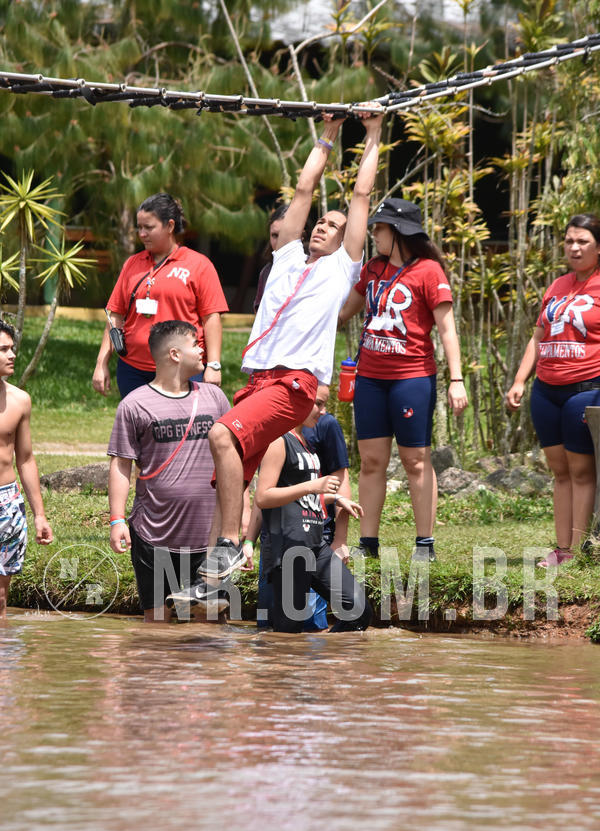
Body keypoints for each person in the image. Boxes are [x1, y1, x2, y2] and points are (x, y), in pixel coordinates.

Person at [198, 105, 384, 580]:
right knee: (228, 466)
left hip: (295, 384)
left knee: (221, 434)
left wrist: (373, 132)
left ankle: (230, 544)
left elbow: (362, 194)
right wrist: (326, 132)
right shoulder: (285, 257)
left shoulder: (341, 270)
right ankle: (226, 551)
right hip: (260, 381)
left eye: (334, 227)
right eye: (321, 222)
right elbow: (304, 188)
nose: (323, 226)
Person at [338, 198, 468, 562]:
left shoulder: (429, 271)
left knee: (415, 460)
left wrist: (456, 379)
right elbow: (343, 314)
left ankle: (424, 543)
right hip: (370, 379)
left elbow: (447, 330)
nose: (374, 234)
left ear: (396, 232)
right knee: (372, 461)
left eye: (378, 229)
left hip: (412, 378)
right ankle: (369, 544)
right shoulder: (372, 269)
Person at [107, 320, 230, 622]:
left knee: (209, 624)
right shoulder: (134, 405)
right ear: (174, 354)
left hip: (208, 537)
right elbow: (121, 464)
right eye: (195, 344)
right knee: (157, 627)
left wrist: (239, 520)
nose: (203, 350)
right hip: (153, 535)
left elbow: (234, 463)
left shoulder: (216, 398)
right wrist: (117, 520)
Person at [506, 213, 600, 567]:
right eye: (569, 241)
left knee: (580, 471)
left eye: (583, 242)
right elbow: (538, 336)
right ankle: (561, 549)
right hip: (546, 391)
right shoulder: (557, 285)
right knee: (560, 472)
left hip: (586, 389)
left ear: (598, 247)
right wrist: (519, 380)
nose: (574, 248)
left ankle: (577, 551)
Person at [253, 395, 371, 634]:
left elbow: (298, 497)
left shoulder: (305, 441)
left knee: (358, 610)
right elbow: (263, 497)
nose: (323, 411)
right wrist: (312, 487)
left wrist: (336, 498)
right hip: (289, 547)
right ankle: (284, 669)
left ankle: (327, 662)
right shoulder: (278, 441)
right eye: (318, 404)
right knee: (288, 631)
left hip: (316, 545)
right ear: (297, 404)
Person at [93, 192, 229, 399]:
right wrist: (101, 363)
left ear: (170, 226)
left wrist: (214, 365)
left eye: (149, 227)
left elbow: (211, 318)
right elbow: (115, 316)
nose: (142, 234)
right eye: (139, 227)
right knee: (139, 429)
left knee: (181, 430)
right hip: (133, 370)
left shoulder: (199, 265)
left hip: (183, 371)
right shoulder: (132, 264)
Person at [0, 321, 52, 617]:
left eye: (12, 348)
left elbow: (26, 459)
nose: (12, 355)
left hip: (6, 503)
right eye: (3, 349)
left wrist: (39, 515)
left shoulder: (20, 401)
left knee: (1, 598)